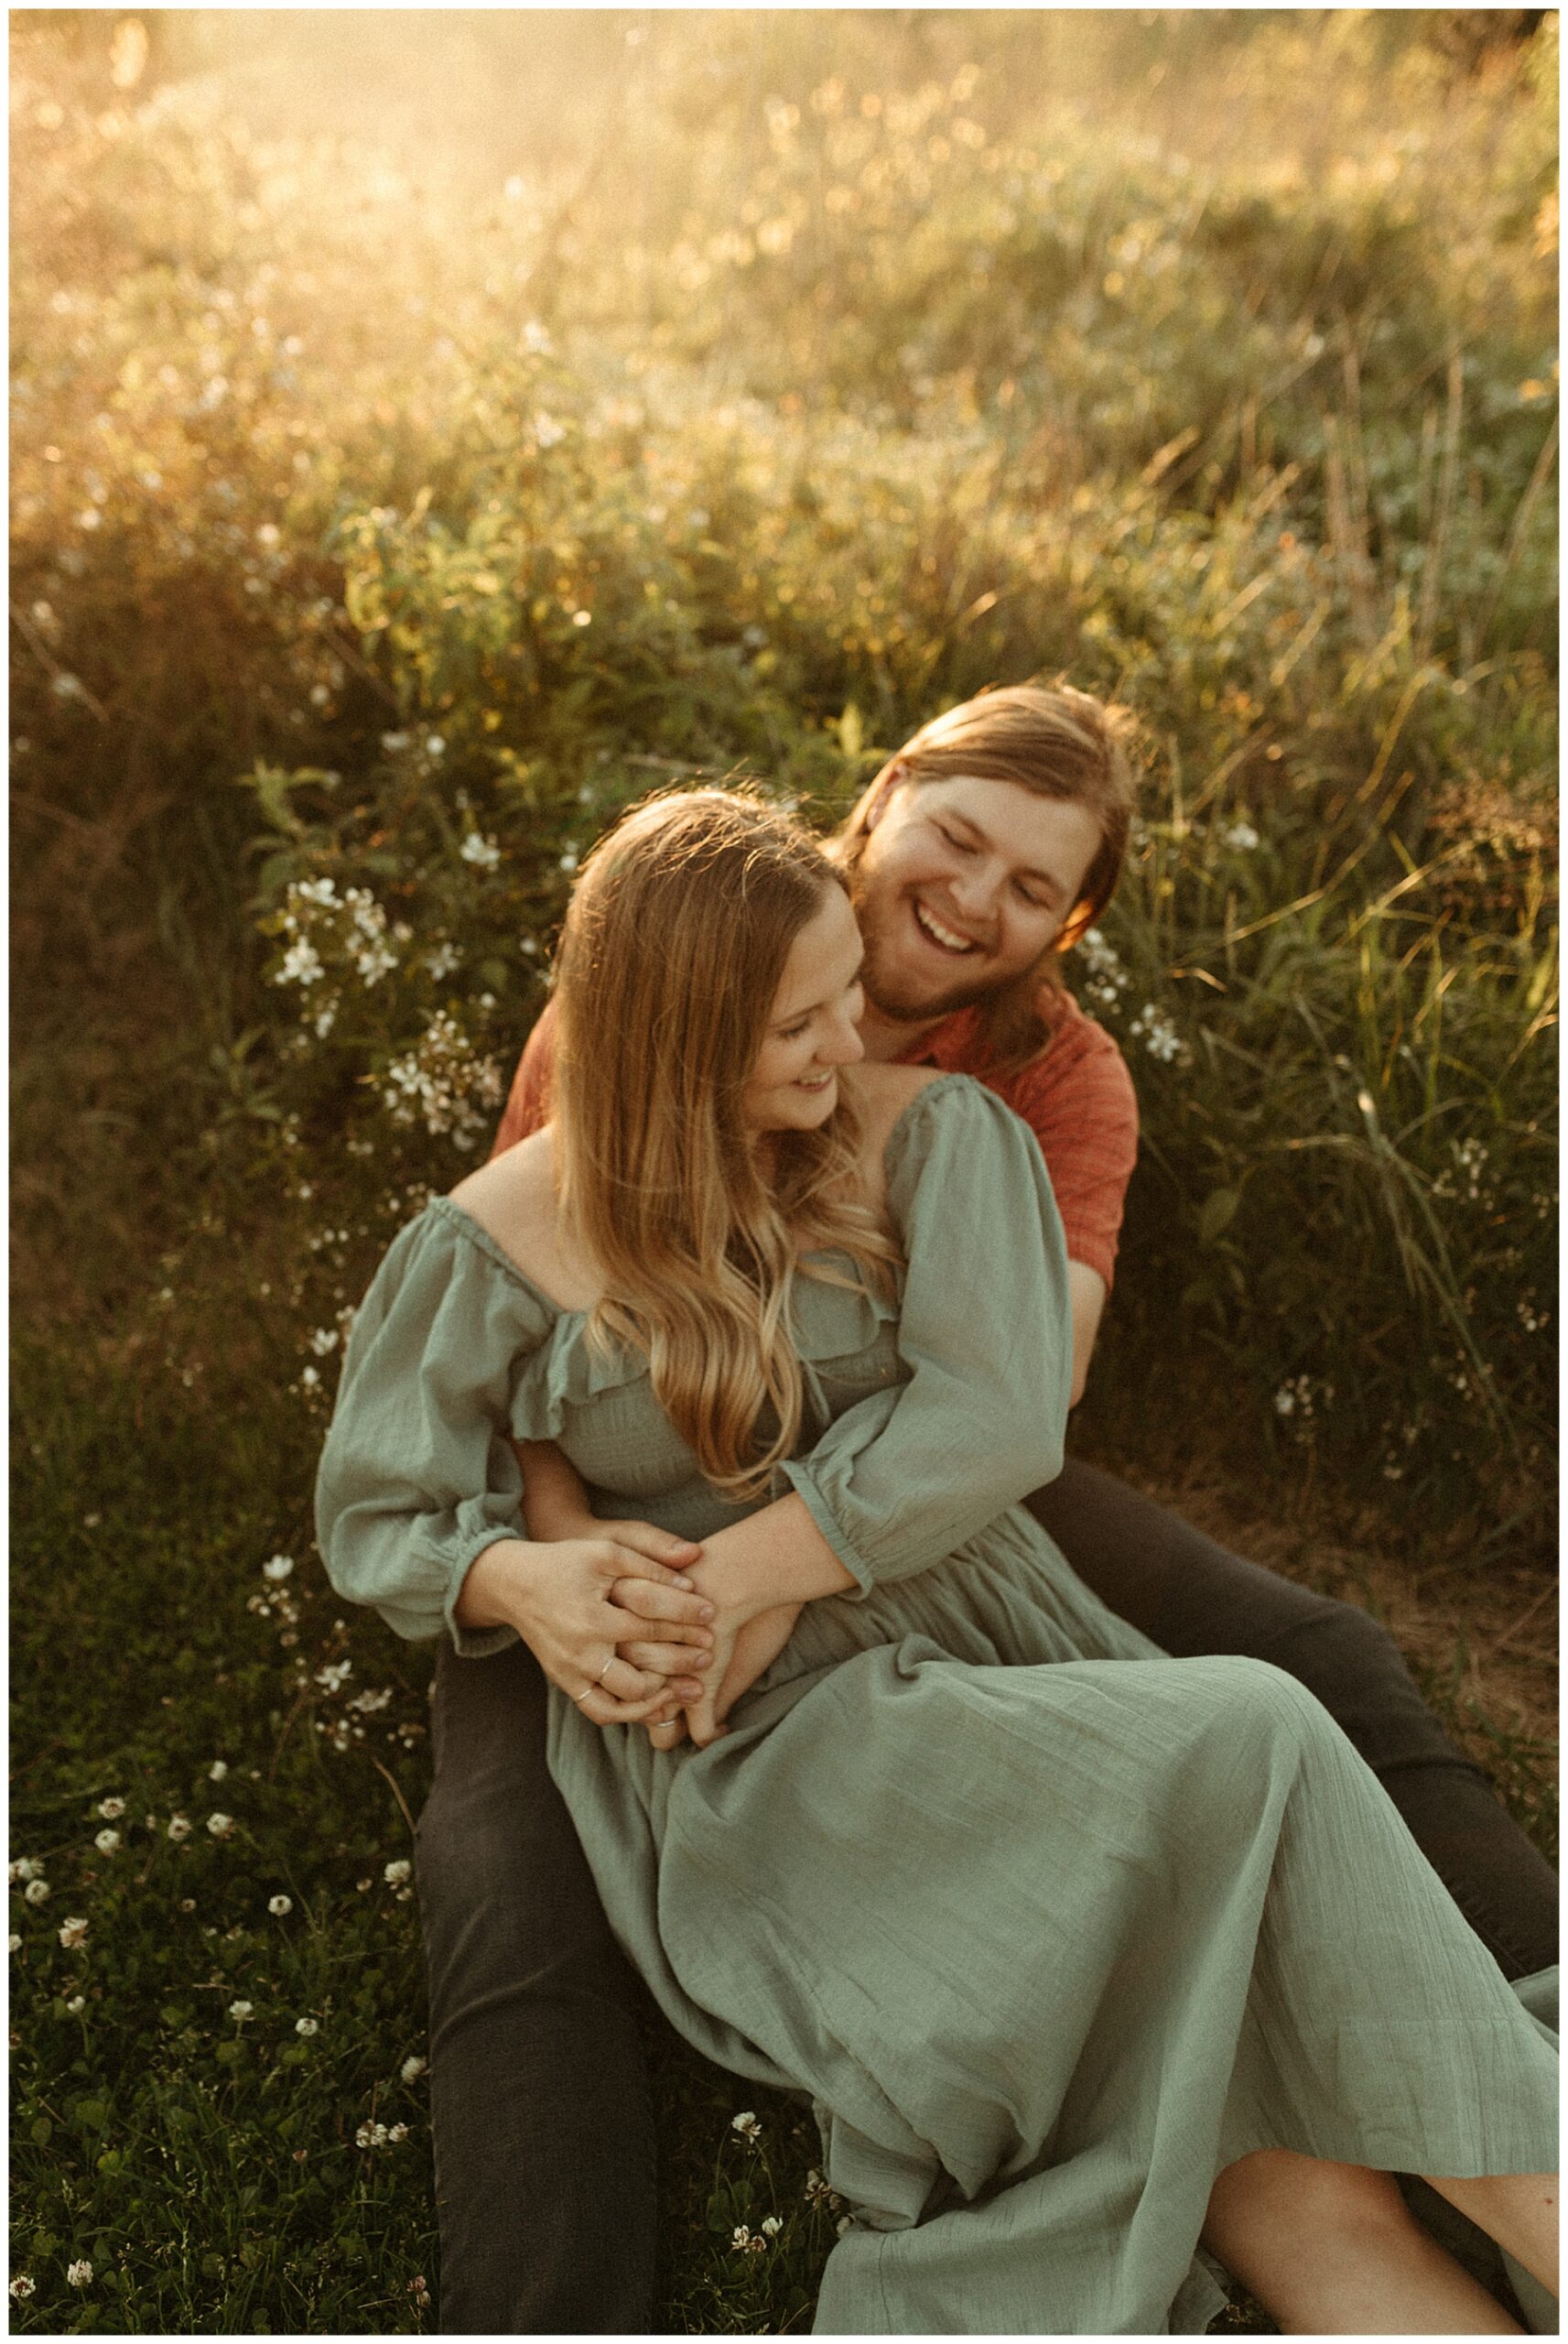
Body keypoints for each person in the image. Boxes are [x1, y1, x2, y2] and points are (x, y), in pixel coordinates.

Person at [317, 788, 1559, 2336]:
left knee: (1277, 2157)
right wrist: (526, 1579)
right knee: (1248, 1752)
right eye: (802, 1024)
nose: (854, 1040)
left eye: (849, 995)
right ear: (675, 1039)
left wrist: (742, 1579)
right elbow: (381, 1507)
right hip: (757, 1753)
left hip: (986, 1627)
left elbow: (992, 1416)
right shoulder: (487, 1246)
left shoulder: (935, 1135)